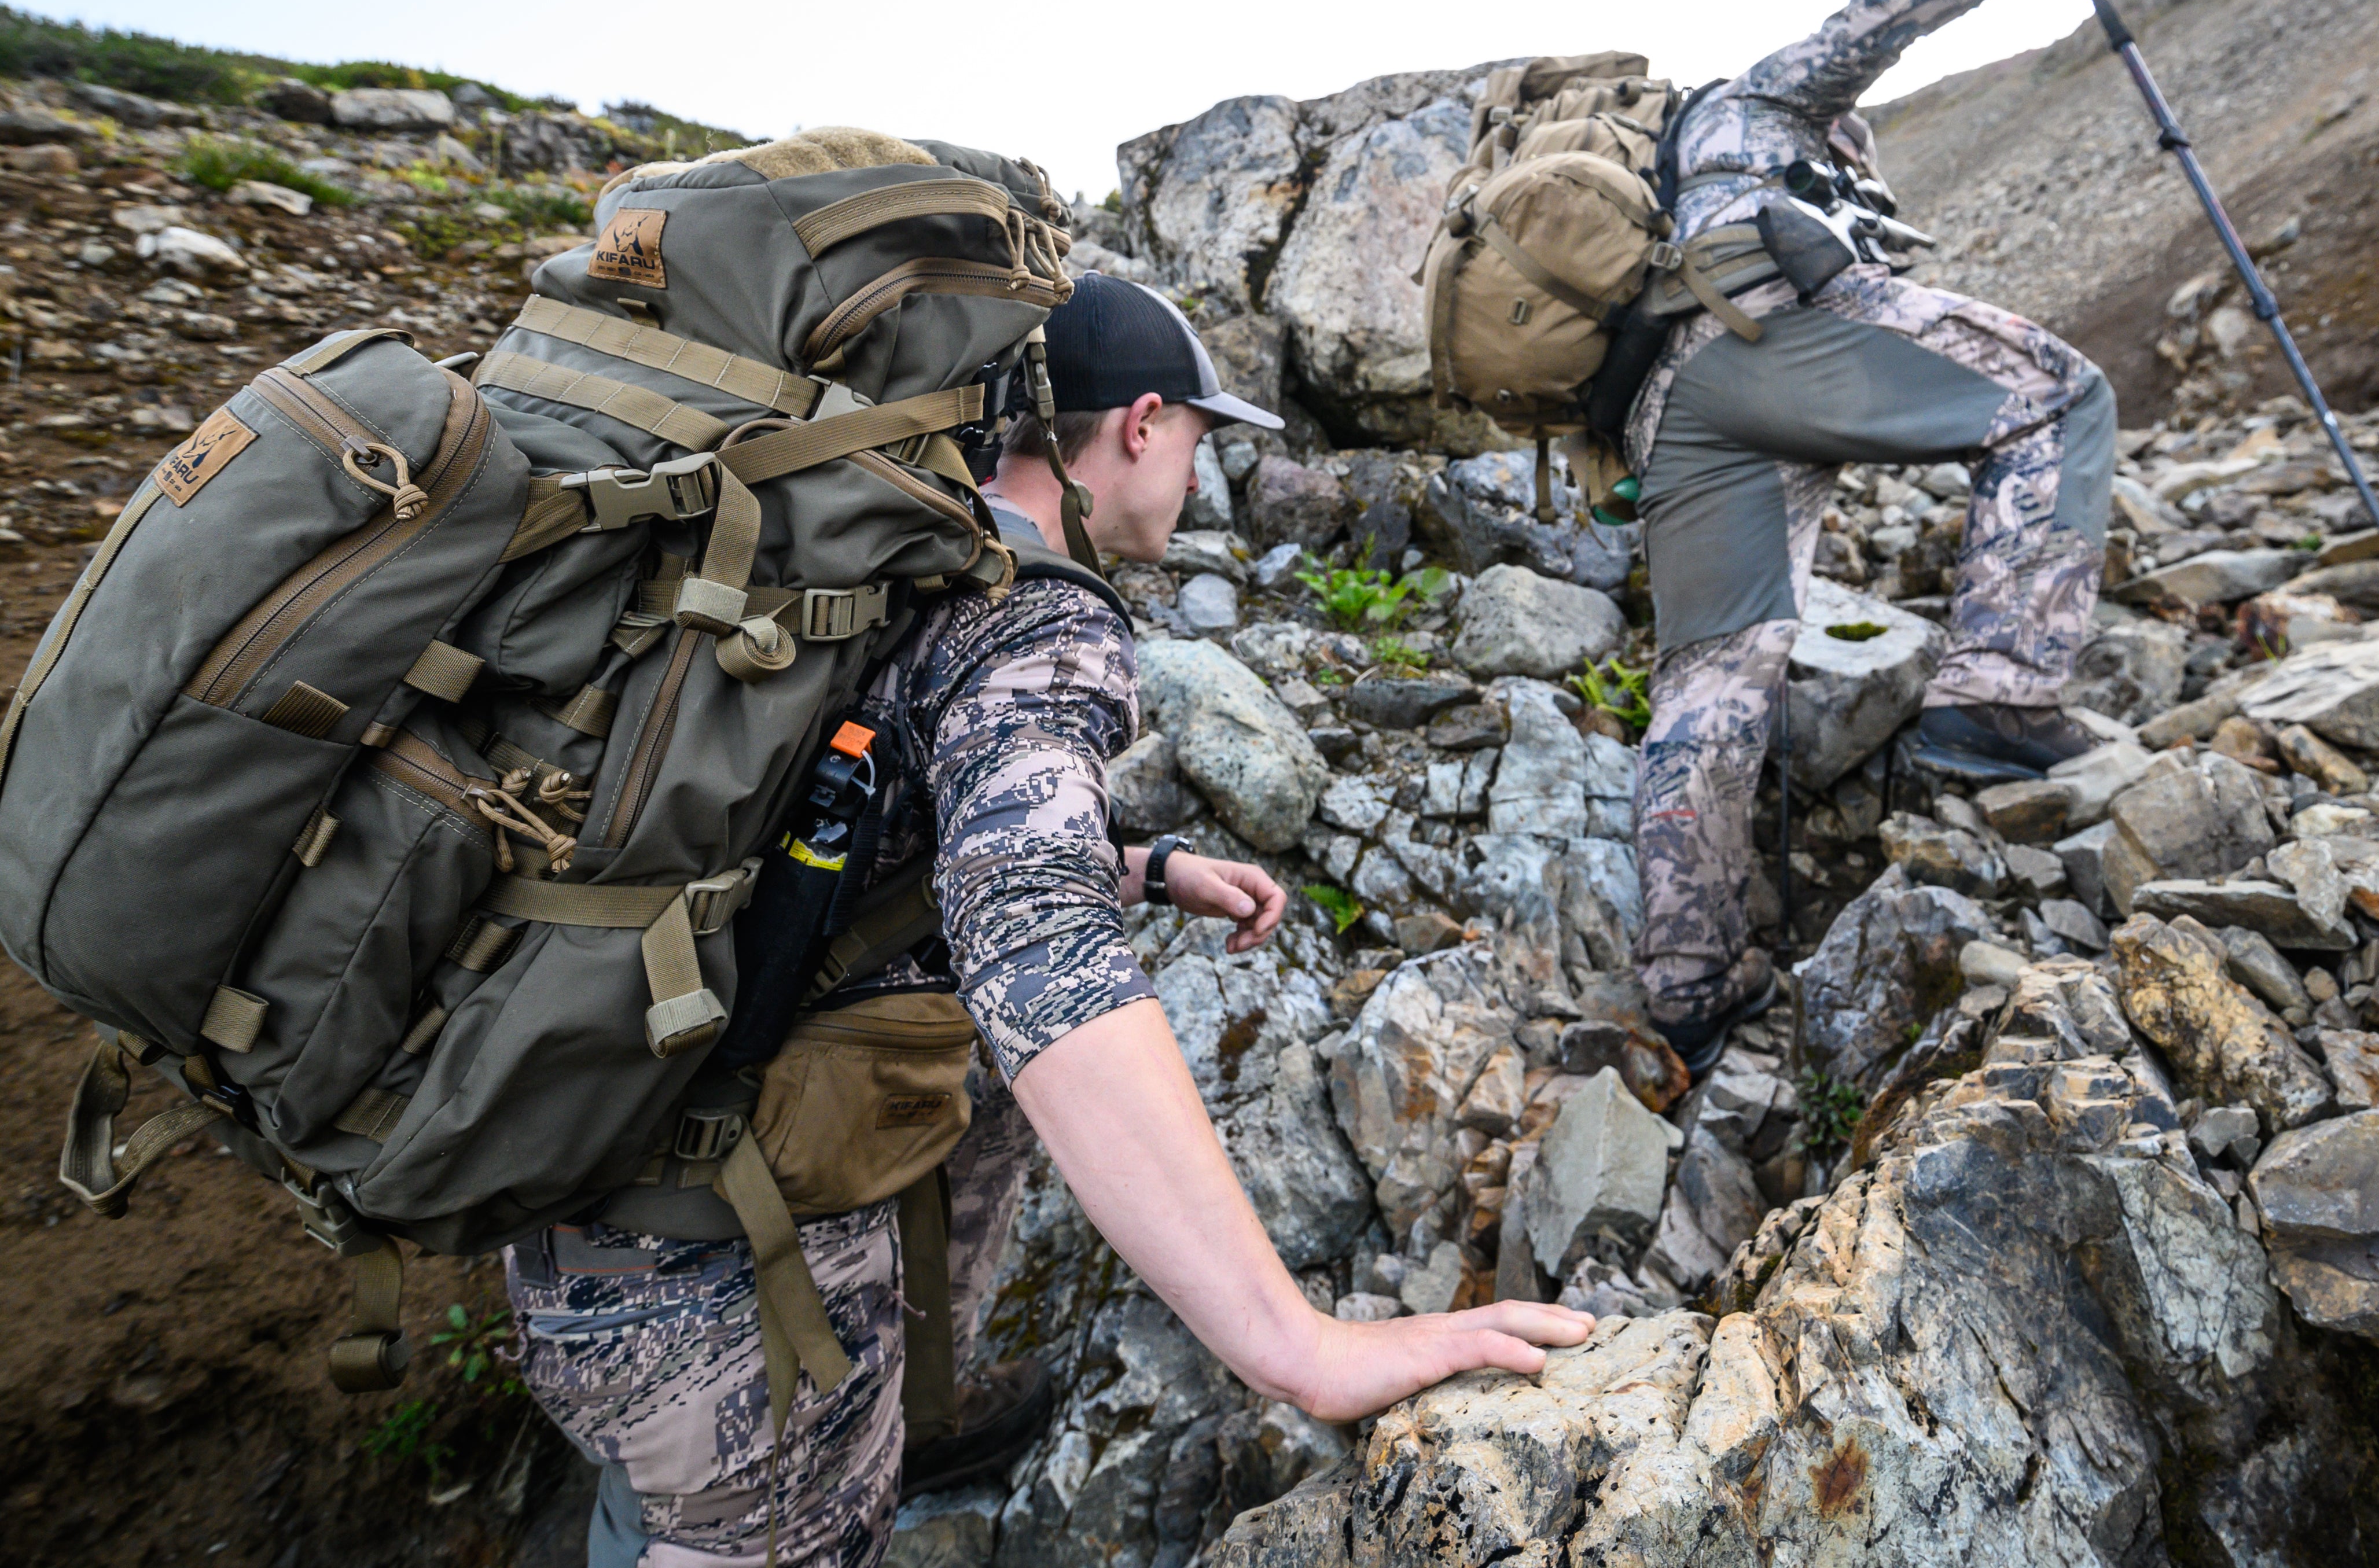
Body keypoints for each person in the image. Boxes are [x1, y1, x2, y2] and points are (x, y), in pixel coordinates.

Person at [508, 271, 1591, 1566]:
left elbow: (851, 828)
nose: (1199, 474)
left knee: (642, 1517)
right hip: (735, 1302)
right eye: (1200, 438)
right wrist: (1297, 1344)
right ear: (1140, 423)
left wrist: (1140, 865)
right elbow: (1041, 952)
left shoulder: (880, 548)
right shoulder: (1036, 617)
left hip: (589, 1175)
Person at [1627, 0, 2120, 1072]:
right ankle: (1995, 687)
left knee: (1714, 674)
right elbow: (1882, 14)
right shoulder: (1767, 101)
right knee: (2060, 395)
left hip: (1673, 400)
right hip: (1770, 332)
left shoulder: (1674, 186)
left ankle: (1689, 974)